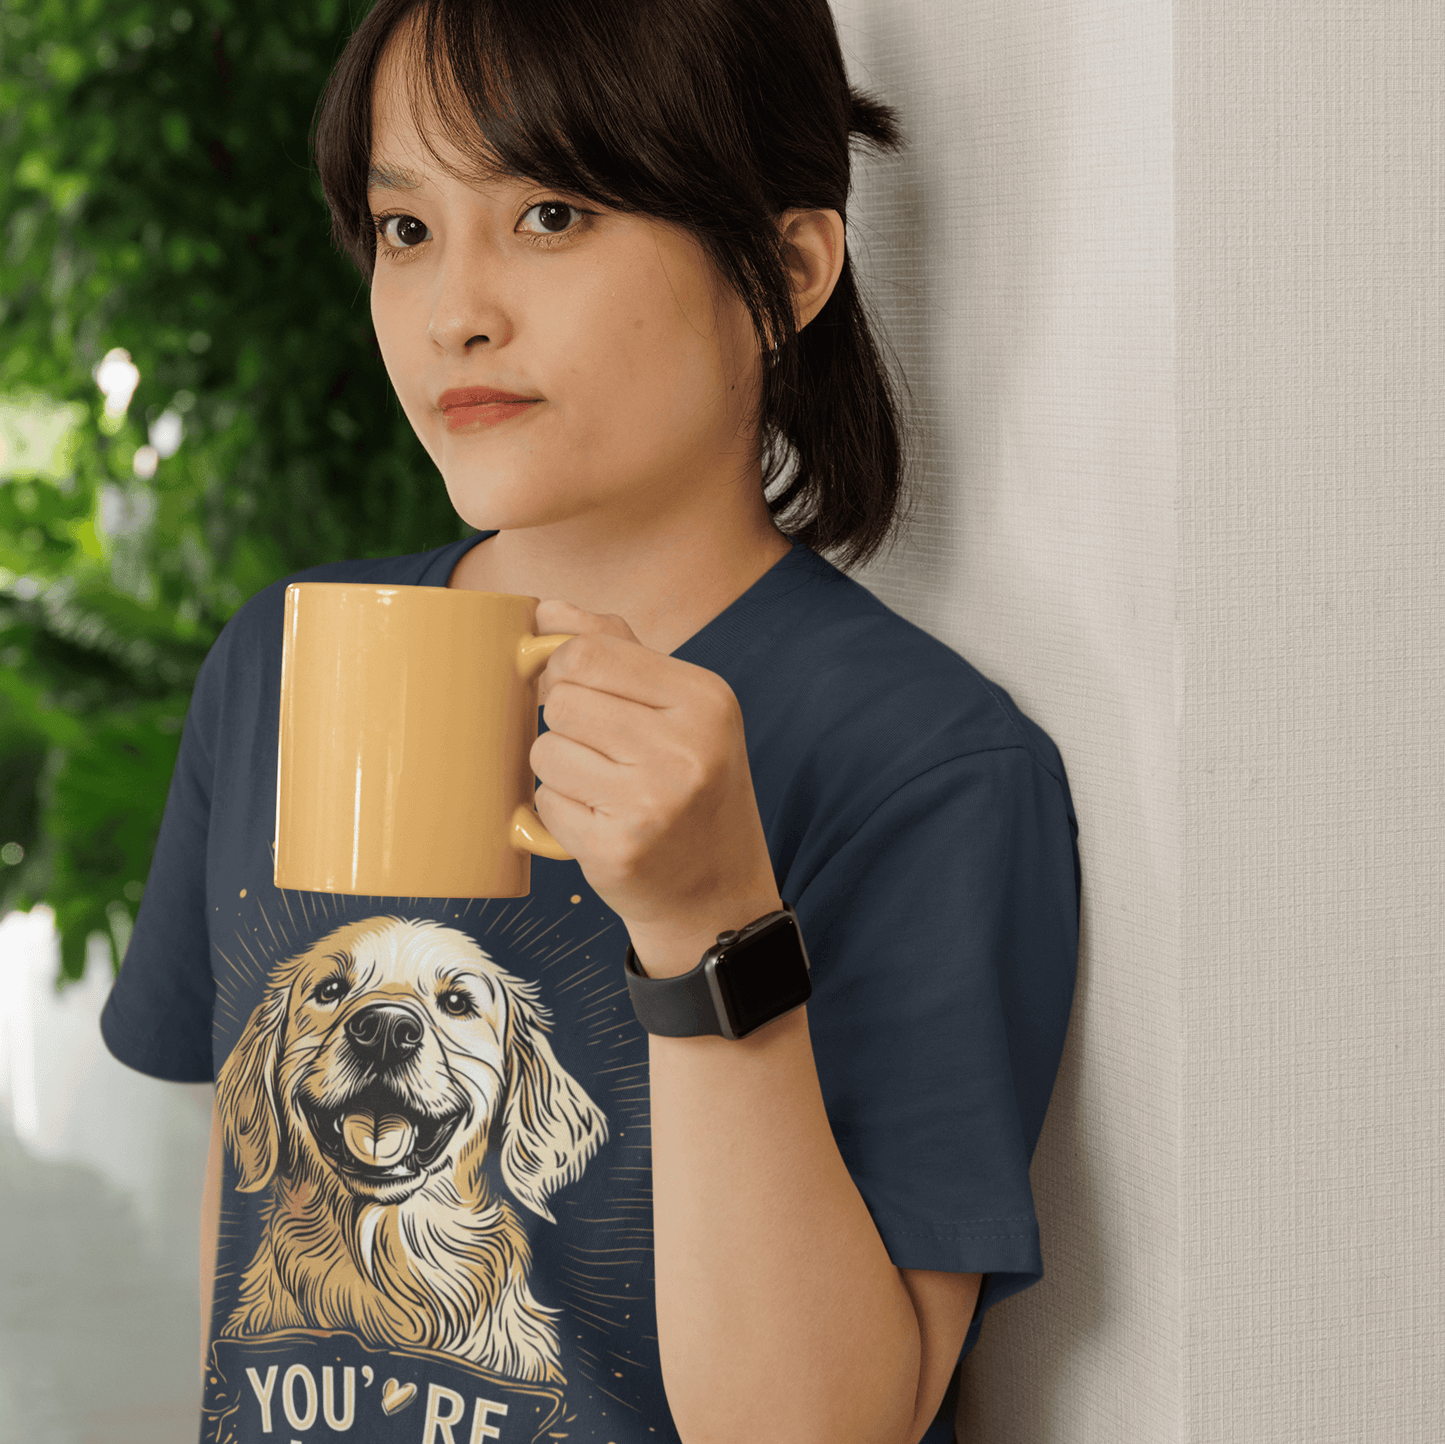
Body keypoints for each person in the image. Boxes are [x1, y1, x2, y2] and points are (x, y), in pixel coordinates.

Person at [100, 1, 1082, 1441]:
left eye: (552, 214)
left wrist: (708, 929)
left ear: (786, 270)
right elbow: (245, 1273)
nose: (454, 312)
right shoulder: (278, 663)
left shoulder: (925, 766)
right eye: (407, 229)